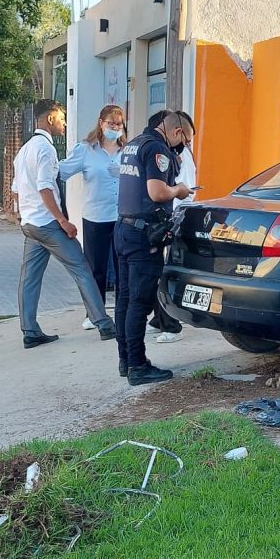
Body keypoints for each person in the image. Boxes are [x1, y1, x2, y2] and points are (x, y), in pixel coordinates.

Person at [13, 99, 115, 349]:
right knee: (82, 268)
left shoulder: (24, 149)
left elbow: (15, 190)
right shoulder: (45, 149)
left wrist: (23, 217)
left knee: (29, 278)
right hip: (48, 224)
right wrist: (62, 220)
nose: (64, 123)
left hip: (31, 224)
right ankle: (103, 323)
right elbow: (46, 188)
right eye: (61, 117)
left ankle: (30, 331)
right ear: (50, 119)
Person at [115, 109, 193, 385]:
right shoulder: (157, 148)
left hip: (124, 229)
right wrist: (179, 190)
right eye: (187, 139)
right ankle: (138, 366)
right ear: (177, 132)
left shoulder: (134, 143)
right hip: (143, 236)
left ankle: (126, 360)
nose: (185, 145)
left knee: (125, 299)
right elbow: (157, 192)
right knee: (139, 302)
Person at [59, 104, 126, 330]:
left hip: (121, 216)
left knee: (121, 267)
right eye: (111, 124)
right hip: (96, 216)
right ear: (101, 123)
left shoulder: (126, 151)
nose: (115, 128)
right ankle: (95, 313)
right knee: (95, 268)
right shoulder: (86, 149)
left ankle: (122, 311)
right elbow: (62, 171)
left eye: (119, 124)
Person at [148, 109, 197, 344]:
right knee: (159, 270)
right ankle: (160, 318)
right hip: (168, 216)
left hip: (176, 215)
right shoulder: (164, 151)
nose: (186, 144)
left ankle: (171, 323)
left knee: (167, 271)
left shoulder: (176, 154)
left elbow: (182, 188)